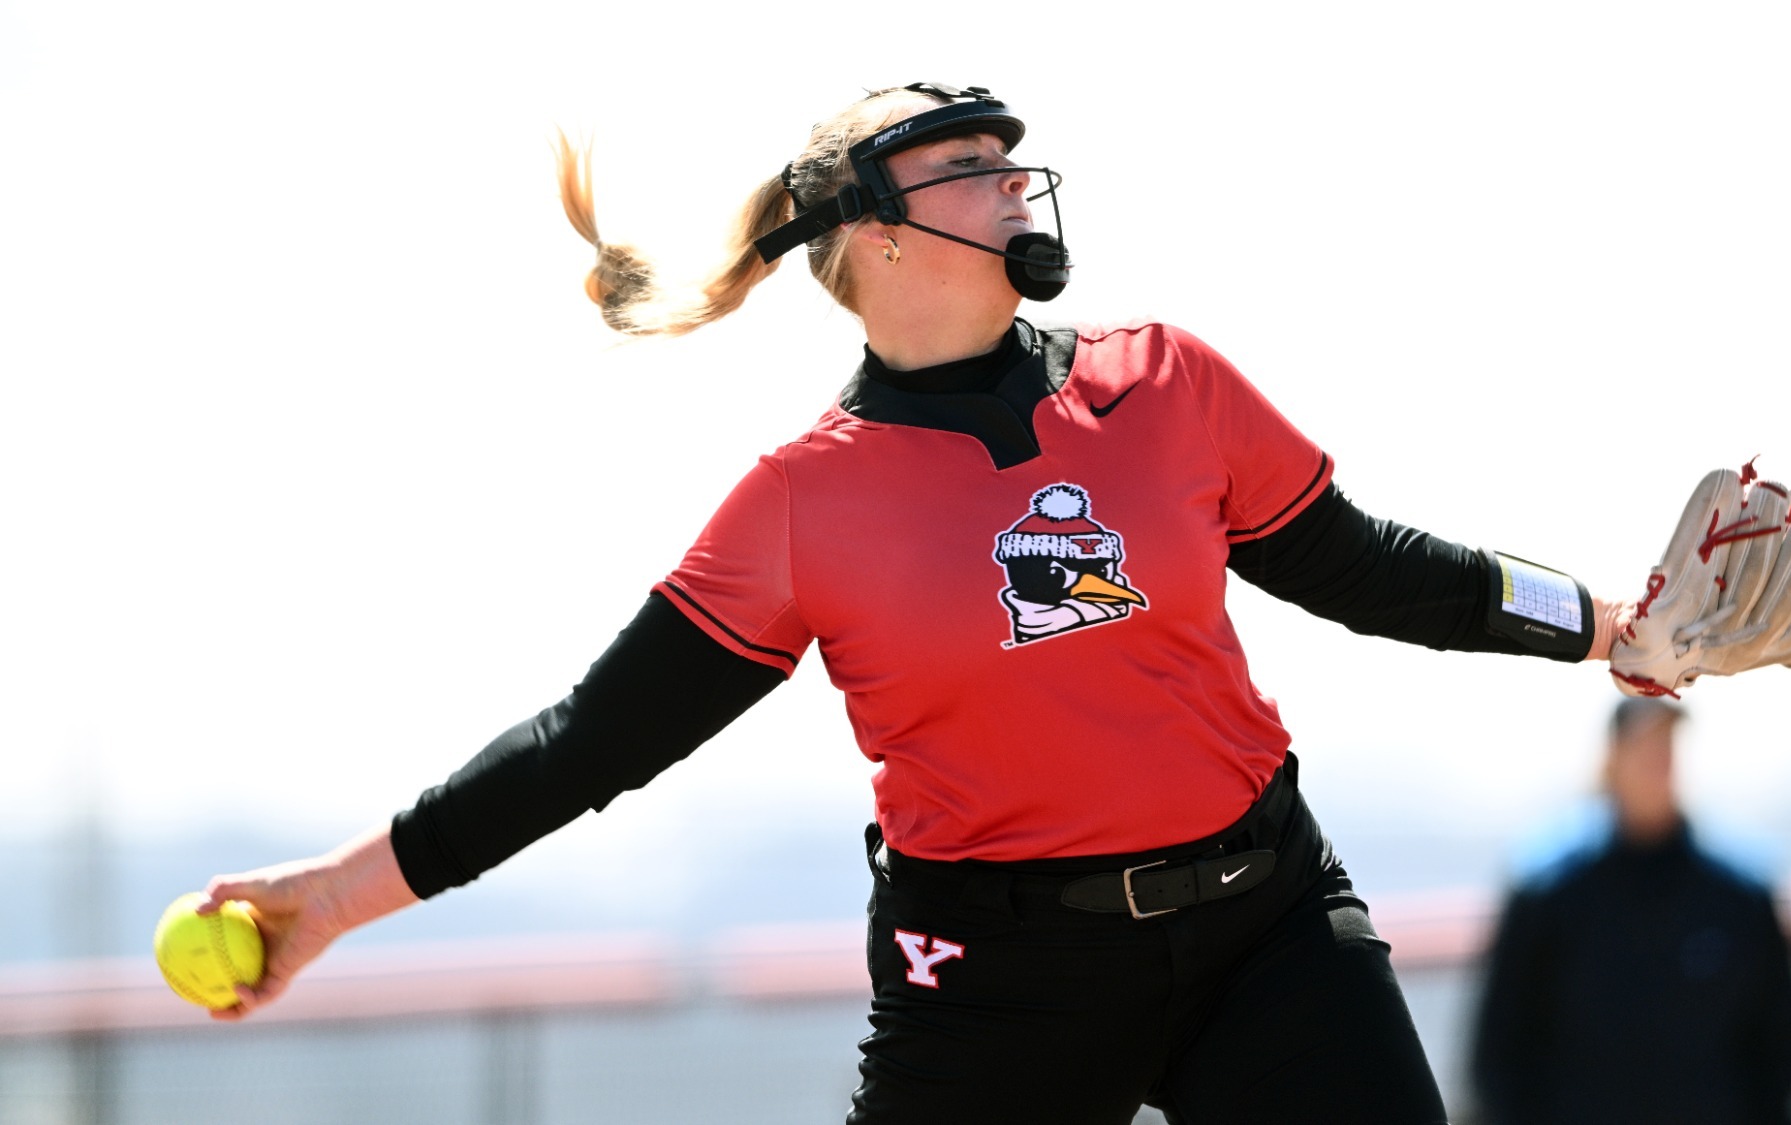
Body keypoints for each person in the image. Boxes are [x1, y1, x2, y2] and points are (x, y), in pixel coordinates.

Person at [197, 82, 1636, 1124]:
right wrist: (331, 897)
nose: (1019, 181)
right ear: (872, 231)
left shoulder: (1167, 379)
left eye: (1016, 161)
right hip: (998, 982)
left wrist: (1597, 619)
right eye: (972, 167)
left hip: (1264, 921)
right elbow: (593, 741)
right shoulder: (801, 504)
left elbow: (1364, 559)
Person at [1470, 697, 1791, 1125]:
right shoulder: (1549, 896)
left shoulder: (1739, 896)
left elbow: (1786, 1051)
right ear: (1612, 758)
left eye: (1667, 743)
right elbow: (1498, 1057)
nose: (1659, 760)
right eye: (1644, 745)